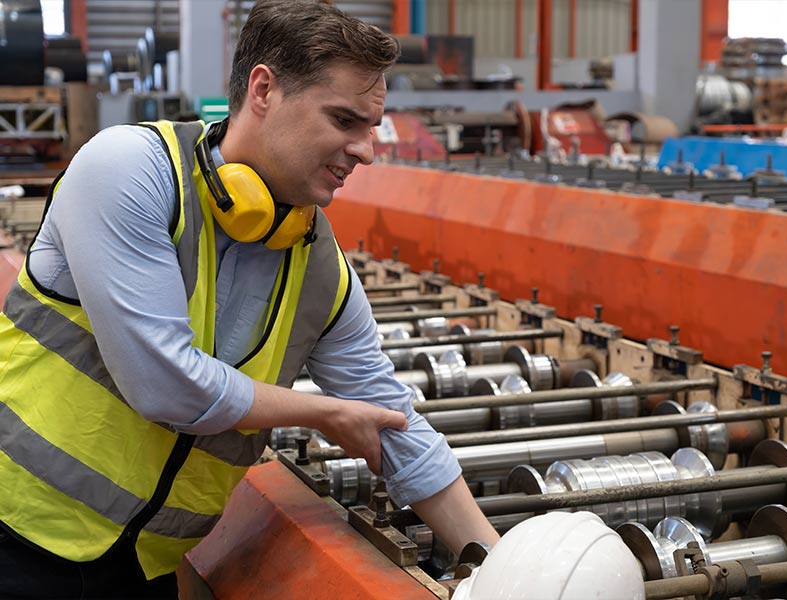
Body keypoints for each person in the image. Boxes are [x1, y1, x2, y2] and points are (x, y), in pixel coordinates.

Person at [0, 1, 499, 598]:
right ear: (263, 90)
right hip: (15, 540)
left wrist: (503, 566)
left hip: (141, 568)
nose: (367, 150)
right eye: (345, 120)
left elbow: (393, 423)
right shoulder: (131, 171)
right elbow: (161, 382)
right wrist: (322, 411)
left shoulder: (320, 269)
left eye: (372, 126)